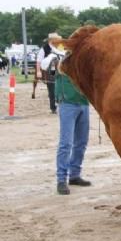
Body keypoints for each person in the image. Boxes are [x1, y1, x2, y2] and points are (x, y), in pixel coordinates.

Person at [44, 47, 92, 195]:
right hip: (67, 104)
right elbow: (45, 66)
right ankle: (61, 180)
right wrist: (55, 55)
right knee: (66, 143)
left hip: (83, 103)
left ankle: (74, 175)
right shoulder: (58, 61)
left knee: (81, 143)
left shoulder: (81, 62)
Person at [37, 32, 61, 114]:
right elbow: (39, 61)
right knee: (52, 89)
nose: (58, 41)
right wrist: (38, 71)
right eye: (57, 39)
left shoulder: (57, 48)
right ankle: (53, 107)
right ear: (52, 40)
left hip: (58, 70)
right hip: (49, 71)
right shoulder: (44, 49)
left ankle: (58, 105)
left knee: (59, 88)